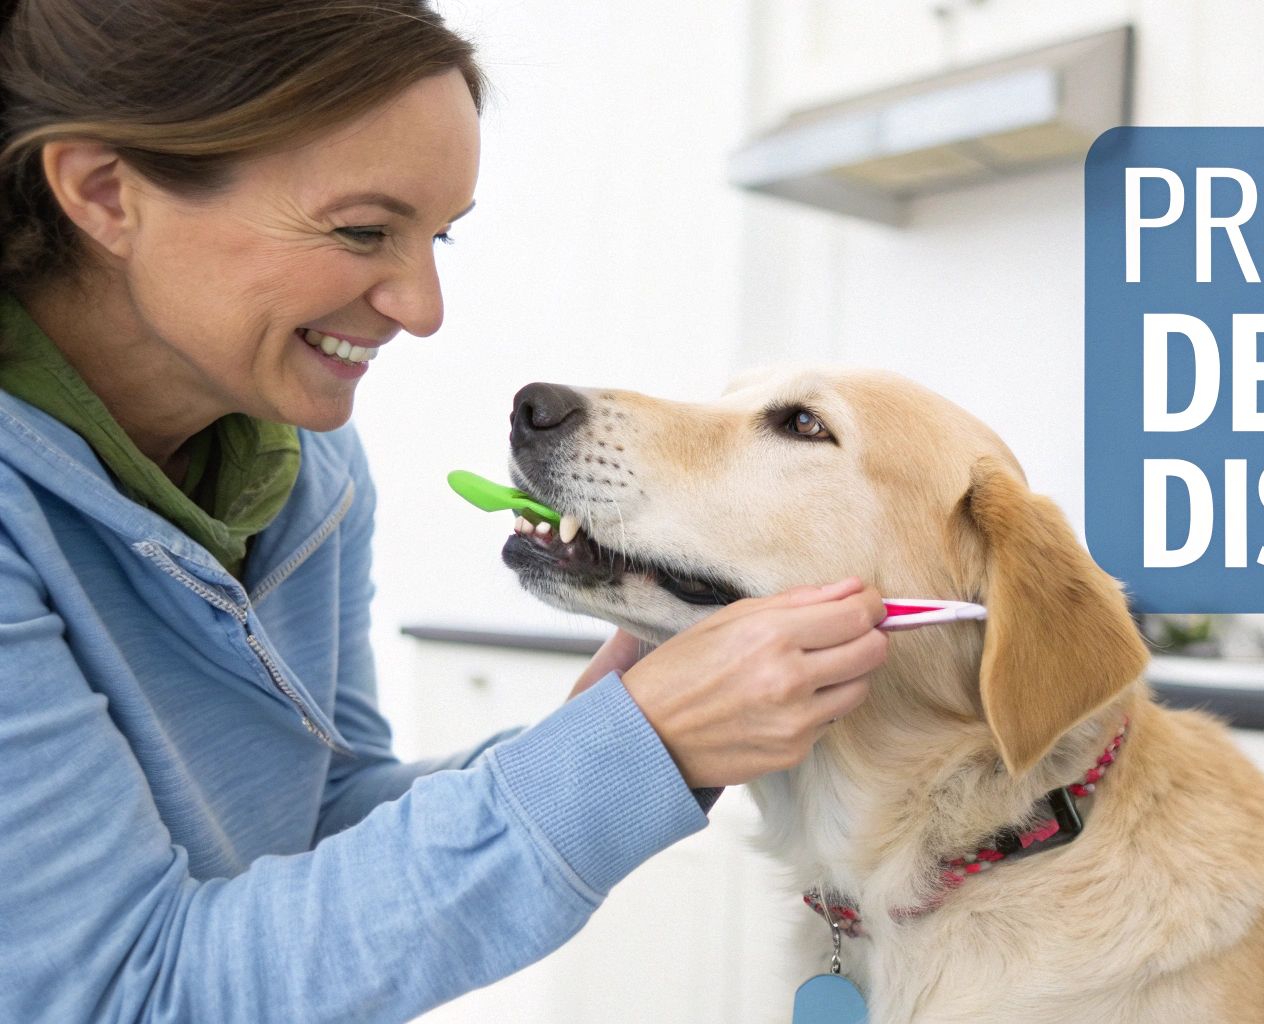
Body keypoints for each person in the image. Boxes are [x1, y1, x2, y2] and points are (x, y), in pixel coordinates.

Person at [0, 2, 887, 1021]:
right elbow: (124, 994)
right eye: (363, 231)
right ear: (106, 192)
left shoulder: (308, 465)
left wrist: (608, 730)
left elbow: (321, 822)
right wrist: (646, 745)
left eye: (437, 238)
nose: (421, 308)